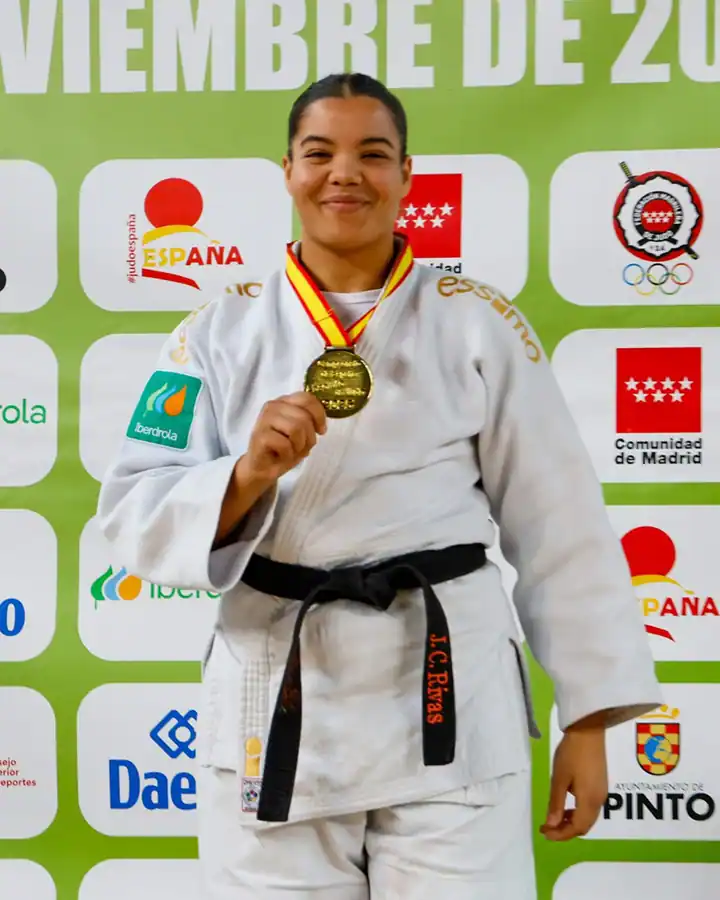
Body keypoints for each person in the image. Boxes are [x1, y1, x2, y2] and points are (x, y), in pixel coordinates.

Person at [97, 73, 662, 899]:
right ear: (286, 170)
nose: (344, 174)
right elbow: (132, 516)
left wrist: (589, 717)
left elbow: (559, 523)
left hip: (447, 693)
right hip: (277, 694)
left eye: (373, 153)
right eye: (319, 153)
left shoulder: (478, 322)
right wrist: (247, 473)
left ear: (406, 175)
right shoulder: (216, 330)